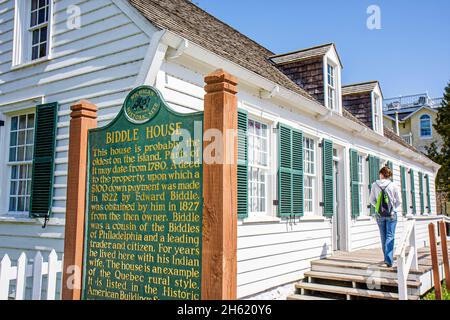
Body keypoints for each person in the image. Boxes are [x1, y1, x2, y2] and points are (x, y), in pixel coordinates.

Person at [369, 166, 402, 268]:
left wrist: (379, 208)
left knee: (383, 236)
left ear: (381, 174)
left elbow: (372, 200)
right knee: (390, 236)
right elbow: (399, 201)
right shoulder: (393, 185)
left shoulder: (375, 184)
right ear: (389, 175)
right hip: (391, 214)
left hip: (379, 215)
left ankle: (387, 259)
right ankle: (388, 260)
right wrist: (392, 209)